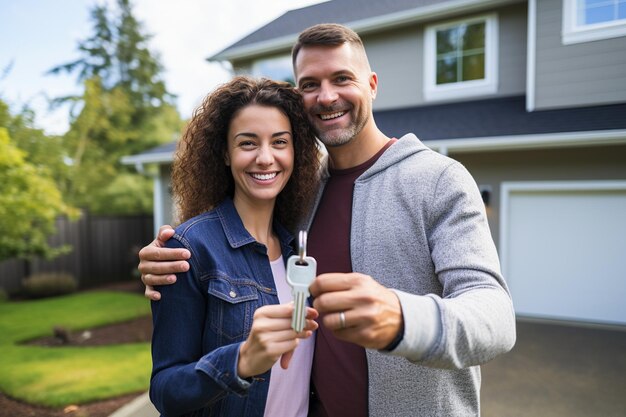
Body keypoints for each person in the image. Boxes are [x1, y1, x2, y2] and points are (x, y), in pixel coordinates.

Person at [140, 24, 516, 417]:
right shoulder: (298, 198)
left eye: (342, 78)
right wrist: (163, 260)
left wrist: (403, 318)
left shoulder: (438, 179)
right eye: (309, 84)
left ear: (371, 84)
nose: (327, 96)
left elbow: (495, 316)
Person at [148, 76, 323, 417]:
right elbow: (165, 391)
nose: (265, 157)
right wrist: (241, 361)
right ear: (225, 154)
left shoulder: (297, 249)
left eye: (279, 142)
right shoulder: (191, 249)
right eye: (247, 143)